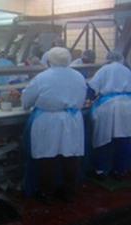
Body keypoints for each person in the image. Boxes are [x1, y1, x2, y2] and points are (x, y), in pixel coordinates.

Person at [22, 47, 87, 203]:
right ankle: (69, 192)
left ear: (49, 60)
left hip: (48, 121)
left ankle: (47, 193)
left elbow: (27, 99)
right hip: (72, 119)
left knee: (47, 157)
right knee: (71, 156)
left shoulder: (42, 77)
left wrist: (26, 104)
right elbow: (83, 96)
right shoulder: (78, 76)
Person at [88, 51, 131, 179]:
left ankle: (101, 170)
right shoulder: (127, 70)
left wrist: (88, 99)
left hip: (108, 106)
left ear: (108, 59)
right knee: (124, 138)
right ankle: (121, 170)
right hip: (127, 106)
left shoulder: (104, 69)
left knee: (103, 138)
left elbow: (91, 88)